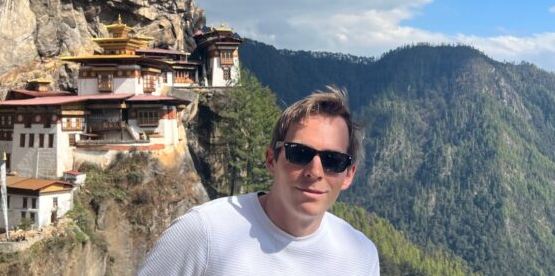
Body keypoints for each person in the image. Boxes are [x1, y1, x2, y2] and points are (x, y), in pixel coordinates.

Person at [138, 87, 380, 275]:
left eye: (333, 160)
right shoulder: (203, 233)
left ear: (349, 174)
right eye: (299, 153)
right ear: (271, 159)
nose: (315, 171)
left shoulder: (360, 256)